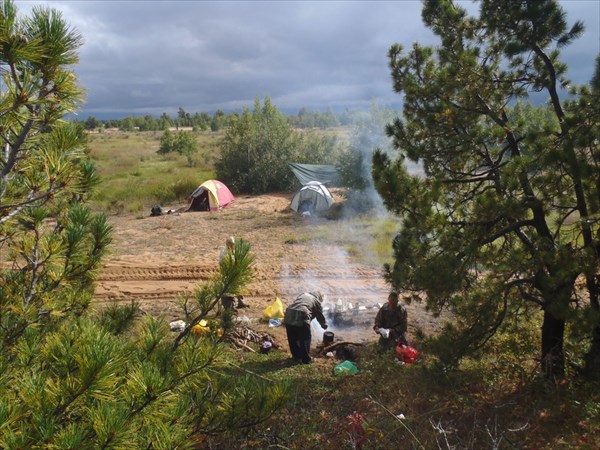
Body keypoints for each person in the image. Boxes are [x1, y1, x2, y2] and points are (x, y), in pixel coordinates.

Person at [284, 291, 328, 364]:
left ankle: (296, 356)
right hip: (302, 314)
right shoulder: (316, 300)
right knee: (305, 338)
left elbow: (297, 305)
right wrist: (324, 325)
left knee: (292, 337)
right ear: (319, 297)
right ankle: (306, 359)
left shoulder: (303, 294)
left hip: (289, 313)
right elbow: (319, 316)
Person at [219, 236, 248, 310]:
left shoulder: (235, 252)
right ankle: (230, 306)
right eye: (230, 244)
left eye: (232, 244)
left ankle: (241, 302)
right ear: (227, 244)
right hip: (228, 273)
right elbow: (222, 263)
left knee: (239, 287)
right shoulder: (224, 253)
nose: (231, 245)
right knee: (229, 290)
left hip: (235, 271)